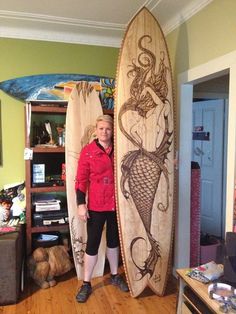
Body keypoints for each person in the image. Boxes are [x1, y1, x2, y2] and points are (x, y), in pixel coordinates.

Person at [75, 114, 129, 303]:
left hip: (117, 206)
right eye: (101, 128)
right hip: (96, 206)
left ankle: (115, 275)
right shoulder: (88, 152)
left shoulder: (121, 149)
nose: (104, 132)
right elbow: (80, 180)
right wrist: (81, 204)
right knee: (93, 243)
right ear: (95, 130)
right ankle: (86, 283)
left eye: (107, 128)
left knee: (114, 242)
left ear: (112, 130)